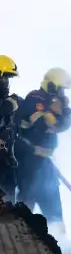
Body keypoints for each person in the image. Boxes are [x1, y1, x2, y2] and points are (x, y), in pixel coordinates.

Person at [14, 68, 71, 236]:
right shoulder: (35, 98)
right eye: (60, 89)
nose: (62, 94)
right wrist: (54, 114)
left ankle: (62, 246)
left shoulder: (56, 104)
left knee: (54, 210)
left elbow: (64, 125)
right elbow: (42, 124)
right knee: (24, 208)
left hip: (45, 164)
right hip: (28, 163)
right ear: (52, 86)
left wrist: (64, 111)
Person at [0, 56, 19, 201]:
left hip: (5, 162)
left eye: (8, 79)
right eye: (4, 78)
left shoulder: (9, 101)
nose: (7, 83)